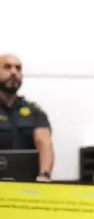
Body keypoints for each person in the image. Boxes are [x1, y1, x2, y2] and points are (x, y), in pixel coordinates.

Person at [0, 53, 54, 181]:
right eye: (7, 67)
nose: (14, 72)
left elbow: (44, 142)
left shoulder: (34, 111)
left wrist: (44, 174)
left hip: (26, 185)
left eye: (18, 68)